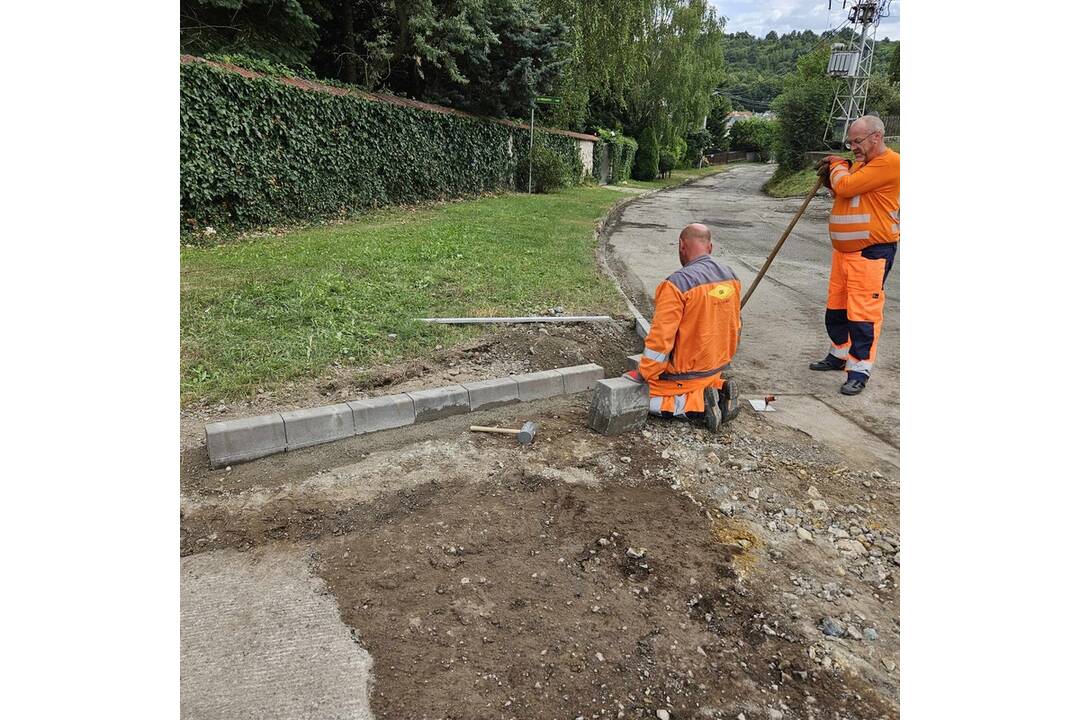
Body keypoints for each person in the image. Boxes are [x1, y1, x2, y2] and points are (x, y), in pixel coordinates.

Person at [811, 115, 900, 395]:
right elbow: (846, 193)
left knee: (863, 314)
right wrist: (833, 178)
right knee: (837, 307)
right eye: (849, 143)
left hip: (871, 252)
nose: (853, 147)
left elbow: (847, 187)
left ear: (876, 136)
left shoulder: (891, 164)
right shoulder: (861, 166)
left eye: (857, 141)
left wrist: (838, 165)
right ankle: (839, 354)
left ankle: (859, 369)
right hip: (844, 252)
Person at [627, 223, 741, 432]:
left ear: (681, 245)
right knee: (703, 383)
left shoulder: (676, 284)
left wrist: (644, 373)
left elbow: (661, 340)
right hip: (715, 368)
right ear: (710, 247)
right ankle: (719, 390)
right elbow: (735, 325)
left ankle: (698, 407)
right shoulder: (730, 277)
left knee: (645, 398)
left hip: (686, 375)